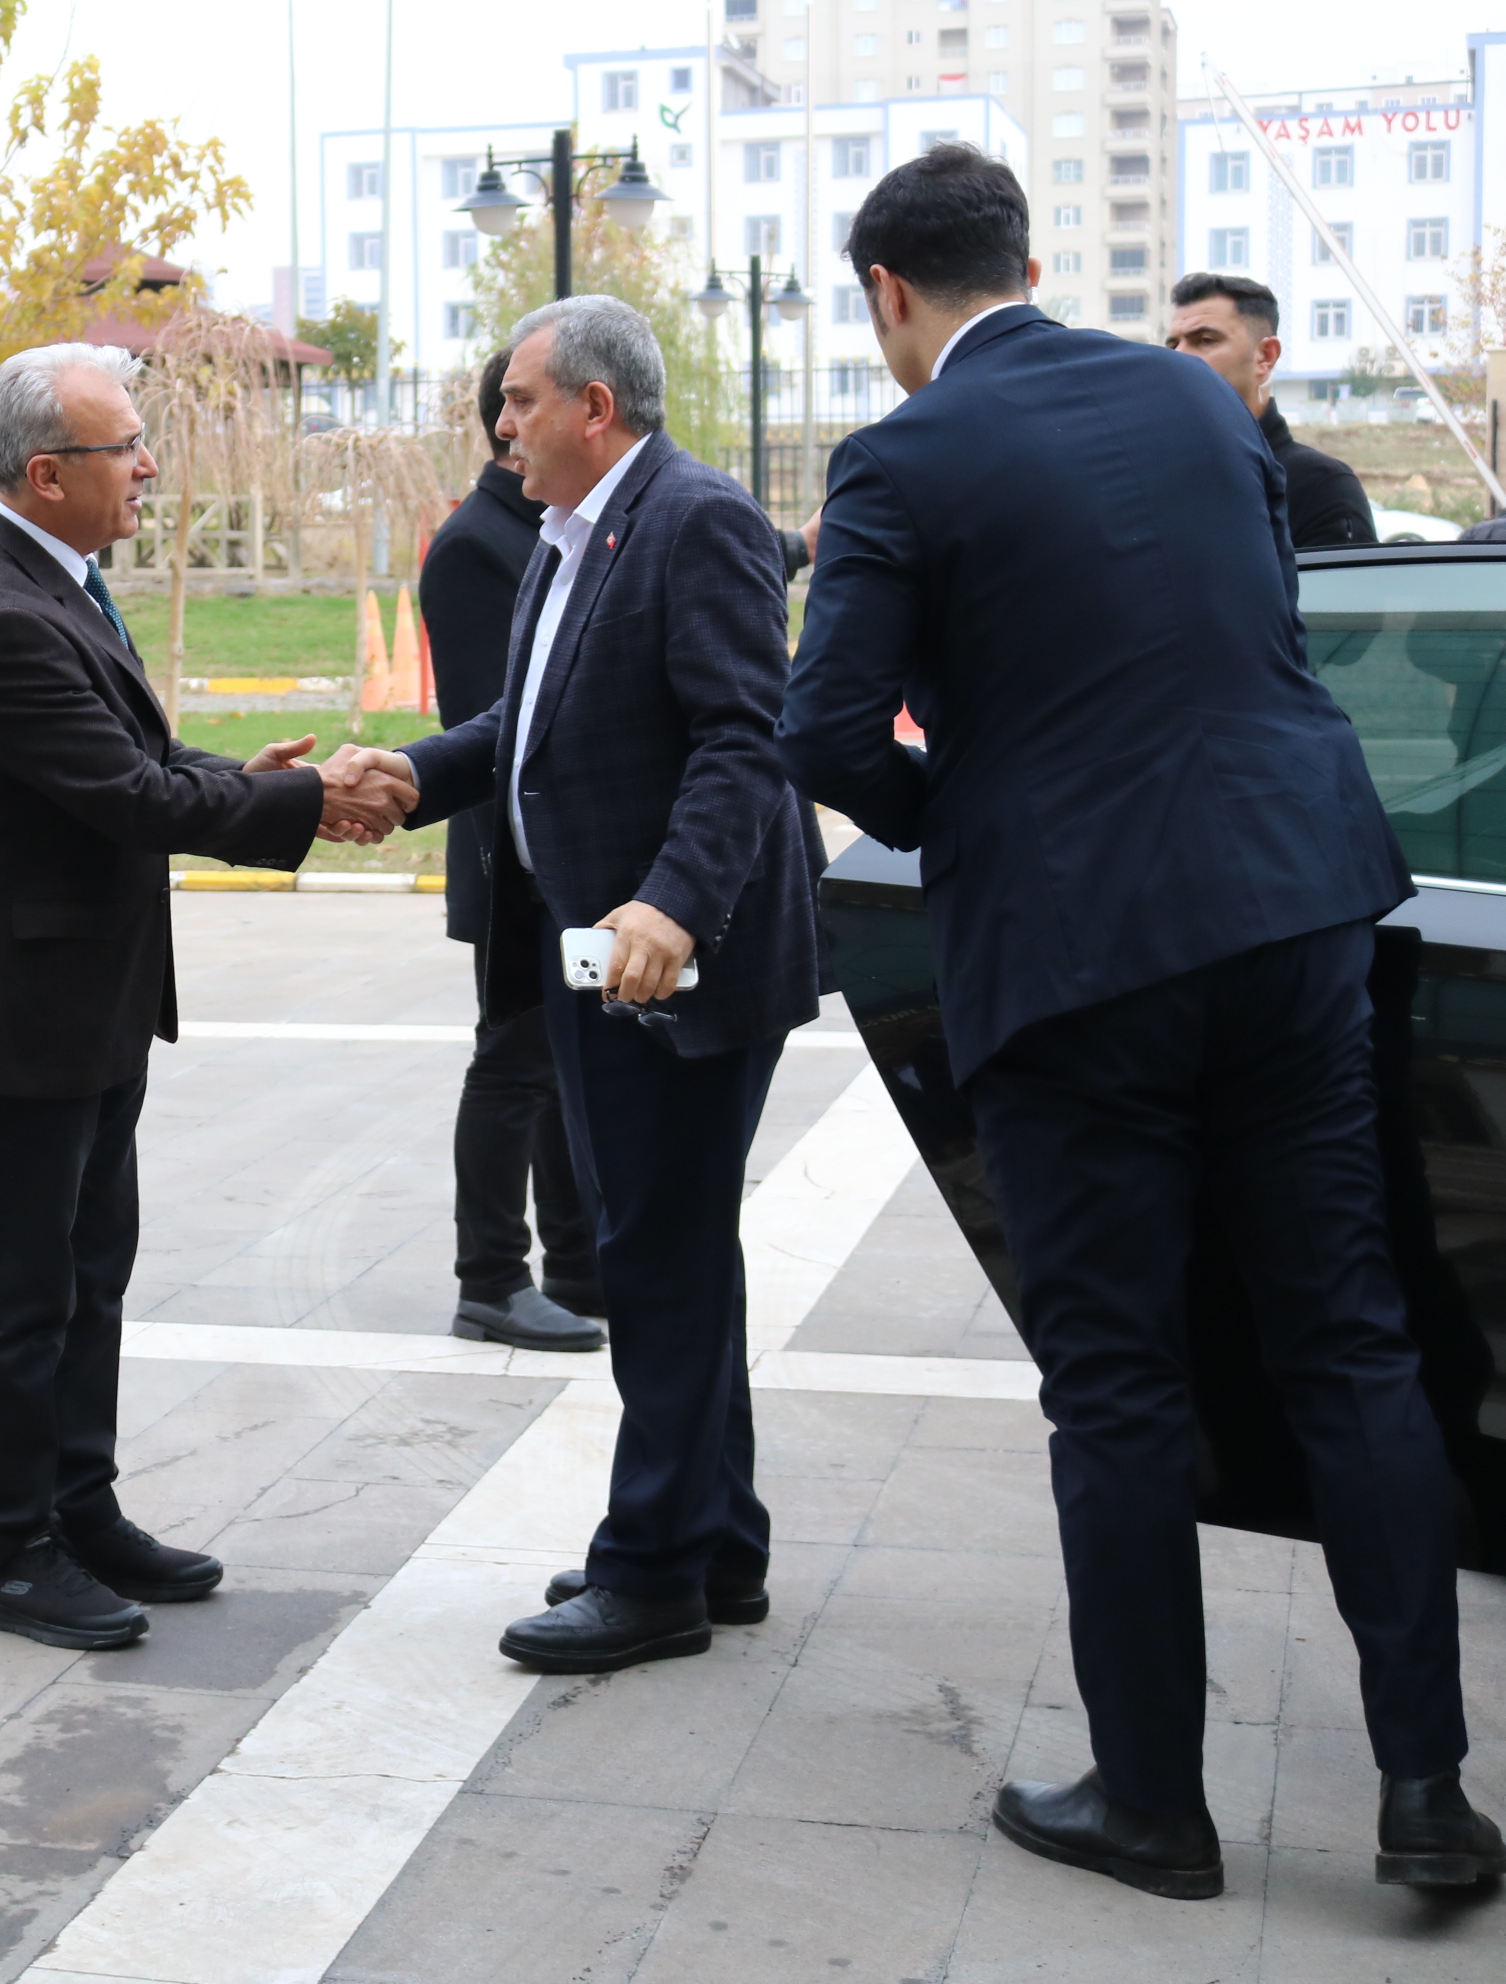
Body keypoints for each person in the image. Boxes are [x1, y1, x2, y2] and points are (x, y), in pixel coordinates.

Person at [780, 143, 1500, 1899]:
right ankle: (1425, 1790)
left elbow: (821, 733)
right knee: (1348, 1343)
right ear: (1023, 260)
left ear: (889, 293)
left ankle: (1153, 1802)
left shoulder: (900, 454)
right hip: (1291, 907)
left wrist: (983, 819)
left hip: (1082, 961)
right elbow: (1258, 634)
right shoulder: (1201, 409)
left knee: (1115, 1382)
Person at [0, 342, 417, 1652]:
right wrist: (305, 801)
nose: (148, 466)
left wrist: (250, 780)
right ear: (43, 471)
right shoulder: (5, 613)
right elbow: (132, 798)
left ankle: (80, 1506)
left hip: (89, 999)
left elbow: (127, 760)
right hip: (27, 1010)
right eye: (123, 446)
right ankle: (7, 1550)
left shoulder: (56, 585)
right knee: (23, 1291)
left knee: (89, 1269)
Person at [373, 295, 825, 1676]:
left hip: (674, 961)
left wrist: (674, 906)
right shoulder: (574, 534)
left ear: (594, 409)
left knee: (657, 1255)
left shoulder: (696, 521)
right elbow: (535, 720)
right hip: (594, 949)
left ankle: (652, 1574)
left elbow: (744, 738)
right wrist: (415, 775)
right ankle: (715, 1538)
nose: (500, 427)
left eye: (517, 402)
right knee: (674, 1243)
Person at [418, 342, 601, 1352]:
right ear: (511, 417)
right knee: (515, 1064)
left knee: (566, 1066)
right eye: (518, 403)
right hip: (516, 865)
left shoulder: (561, 528)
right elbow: (493, 729)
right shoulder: (478, 545)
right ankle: (489, 1276)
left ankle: (579, 1264)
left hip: (575, 861)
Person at [1164, 271, 1378, 550]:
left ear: (1265, 356)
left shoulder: (1317, 486)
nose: (1178, 356)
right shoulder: (1153, 475)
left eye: (1205, 340)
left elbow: (1338, 592)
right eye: (1172, 344)